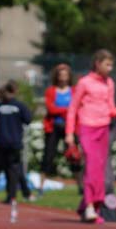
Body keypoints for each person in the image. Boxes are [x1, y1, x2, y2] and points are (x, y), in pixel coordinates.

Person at [66, 50, 116, 223]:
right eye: (107, 65)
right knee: (91, 167)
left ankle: (92, 207)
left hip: (104, 127)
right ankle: (89, 205)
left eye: (111, 65)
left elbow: (110, 107)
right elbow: (73, 108)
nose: (110, 69)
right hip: (87, 127)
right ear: (97, 63)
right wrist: (69, 133)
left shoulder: (109, 82)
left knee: (100, 169)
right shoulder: (84, 82)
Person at [0, 80, 32, 205]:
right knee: (13, 170)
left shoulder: (0, 106)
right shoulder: (18, 106)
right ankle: (11, 196)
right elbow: (28, 119)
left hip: (1, 143)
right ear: (15, 91)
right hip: (14, 143)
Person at [41, 63, 74, 197]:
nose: (63, 77)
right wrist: (66, 110)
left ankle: (81, 187)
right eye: (61, 75)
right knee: (48, 157)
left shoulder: (73, 91)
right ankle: (41, 186)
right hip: (53, 127)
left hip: (69, 127)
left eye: (66, 75)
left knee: (74, 155)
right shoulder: (51, 91)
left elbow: (76, 108)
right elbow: (51, 109)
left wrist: (63, 111)